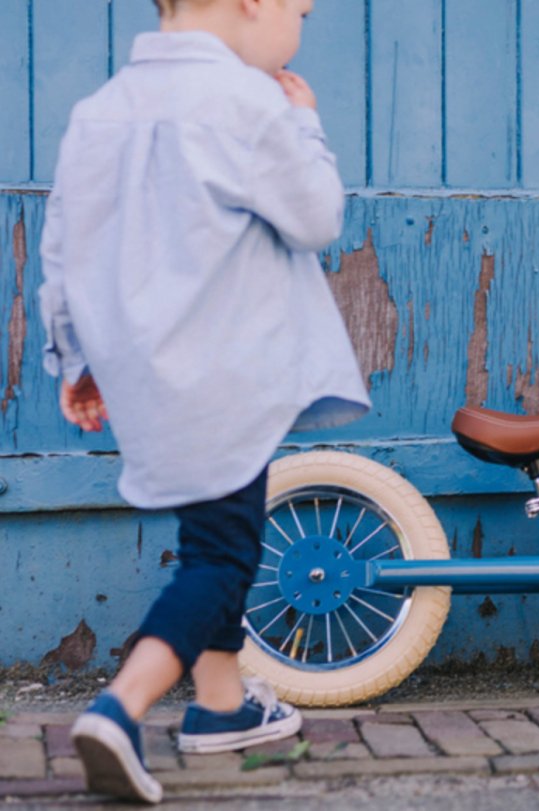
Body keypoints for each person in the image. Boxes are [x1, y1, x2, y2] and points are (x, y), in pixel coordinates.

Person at [37, 0, 369, 802]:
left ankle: (222, 708)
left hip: (144, 374)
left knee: (214, 528)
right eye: (298, 4)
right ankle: (121, 706)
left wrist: (74, 357)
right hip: (230, 369)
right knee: (223, 556)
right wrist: (304, 123)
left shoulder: (99, 110)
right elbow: (316, 217)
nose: (306, 12)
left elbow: (64, 241)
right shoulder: (249, 100)